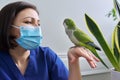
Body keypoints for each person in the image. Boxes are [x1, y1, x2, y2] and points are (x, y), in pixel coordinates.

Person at [0, 1, 99, 80]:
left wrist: (73, 61)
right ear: (8, 27)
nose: (36, 28)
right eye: (29, 22)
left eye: (38, 24)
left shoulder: (46, 56)